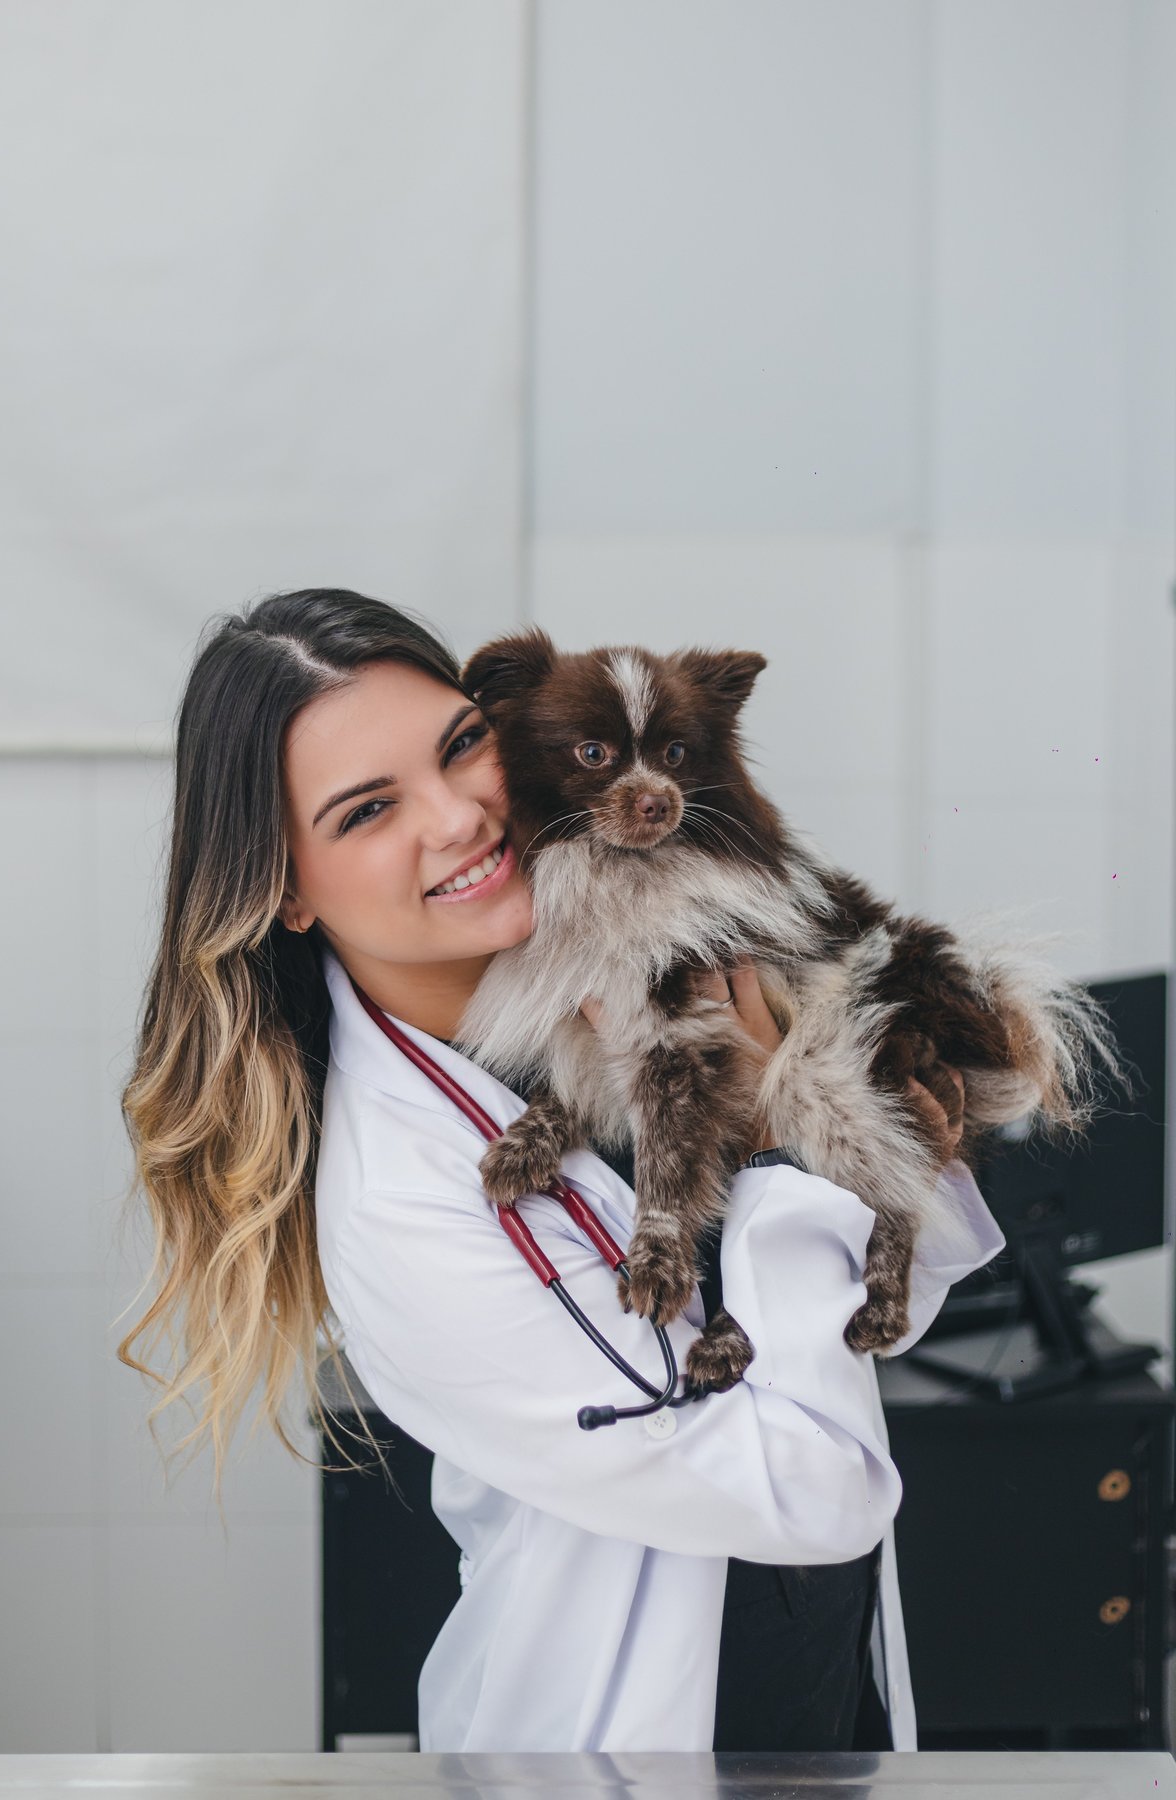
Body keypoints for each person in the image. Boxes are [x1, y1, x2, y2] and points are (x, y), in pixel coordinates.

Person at [120, 587, 1004, 1755]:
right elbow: (818, 1489)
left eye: (460, 746)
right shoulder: (409, 1197)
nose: (458, 817)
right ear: (282, 886)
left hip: (815, 1694)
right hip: (627, 1745)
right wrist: (782, 1142)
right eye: (370, 810)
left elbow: (877, 1301)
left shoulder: (609, 969)